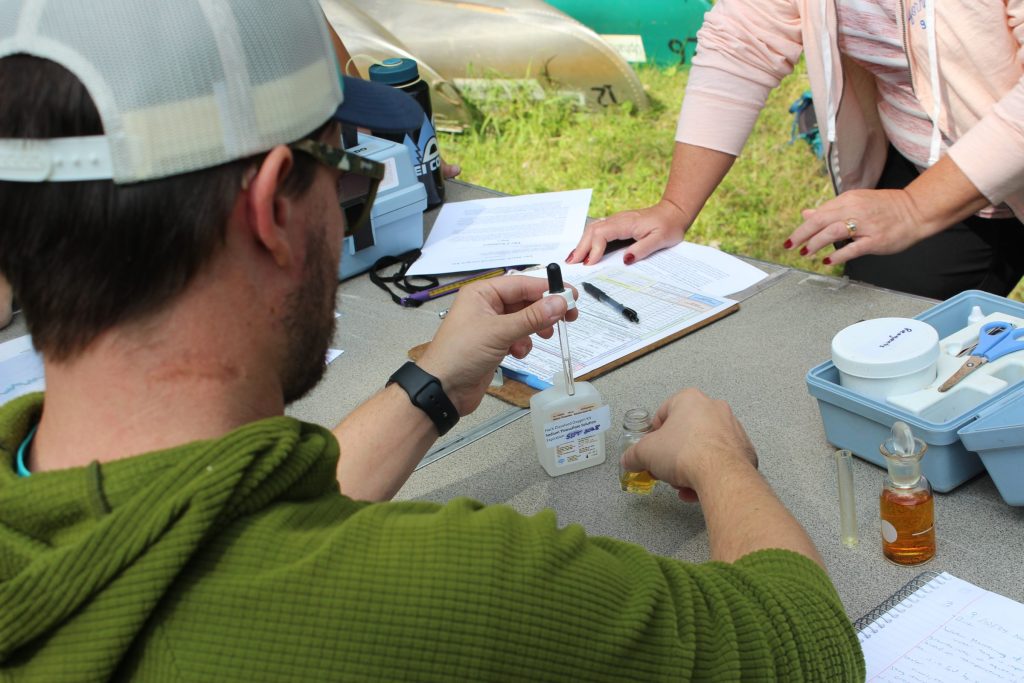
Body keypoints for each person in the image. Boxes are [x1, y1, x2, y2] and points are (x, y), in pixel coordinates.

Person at [0, 1, 862, 680]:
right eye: (348, 176)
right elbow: (805, 644)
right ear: (270, 210)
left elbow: (205, 517)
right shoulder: (456, 589)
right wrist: (719, 460)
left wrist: (434, 384)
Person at [568, 0, 1024, 301]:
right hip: (924, 166)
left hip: (974, 175)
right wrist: (674, 205)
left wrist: (912, 208)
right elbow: (744, 42)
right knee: (882, 332)